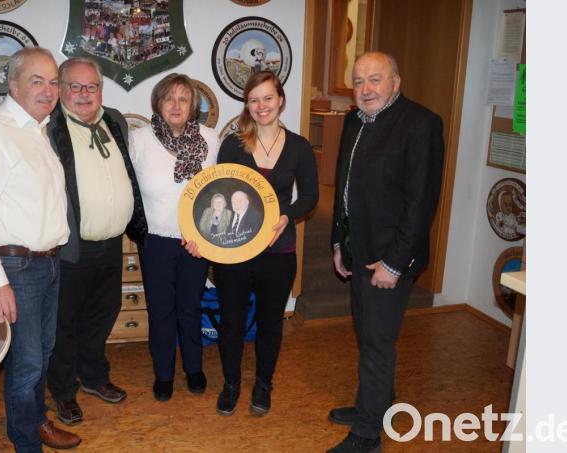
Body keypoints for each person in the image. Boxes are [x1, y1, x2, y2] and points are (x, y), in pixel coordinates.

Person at [0, 47, 81, 453]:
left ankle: (36, 420)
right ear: (12, 84)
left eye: (53, 81)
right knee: (27, 362)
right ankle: (26, 442)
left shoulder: (38, 128)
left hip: (47, 263)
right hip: (17, 266)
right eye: (36, 80)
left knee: (41, 354)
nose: (48, 90)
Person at [327, 52, 444, 453]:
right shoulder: (354, 121)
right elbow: (343, 187)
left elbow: (421, 203)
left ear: (396, 81)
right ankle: (376, 404)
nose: (365, 89)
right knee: (366, 332)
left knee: (377, 342)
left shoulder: (421, 124)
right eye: (358, 81)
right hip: (358, 249)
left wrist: (394, 263)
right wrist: (339, 241)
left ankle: (366, 433)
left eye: (375, 80)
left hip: (390, 257)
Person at [186, 70, 318, 417]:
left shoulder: (300, 147)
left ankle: (263, 384)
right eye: (254, 100)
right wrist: (203, 236)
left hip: (279, 250)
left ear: (281, 100)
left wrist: (287, 215)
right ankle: (231, 384)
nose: (262, 106)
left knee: (271, 321)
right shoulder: (233, 144)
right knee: (231, 319)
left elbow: (310, 196)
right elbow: (217, 194)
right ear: (247, 104)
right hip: (235, 249)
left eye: (268, 98)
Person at [45, 57, 147, 426]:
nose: (85, 95)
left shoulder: (115, 120)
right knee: (65, 323)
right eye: (76, 86)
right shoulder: (49, 125)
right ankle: (63, 391)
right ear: (61, 88)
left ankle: (94, 377)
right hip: (71, 248)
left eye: (92, 87)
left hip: (111, 244)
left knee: (102, 315)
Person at [128, 73, 220, 401]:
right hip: (156, 241)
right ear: (158, 103)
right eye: (170, 98)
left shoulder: (211, 139)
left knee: (190, 308)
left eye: (184, 98)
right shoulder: (139, 140)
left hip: (197, 240)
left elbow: (218, 190)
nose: (176, 105)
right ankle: (163, 374)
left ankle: (194, 368)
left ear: (193, 104)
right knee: (161, 311)